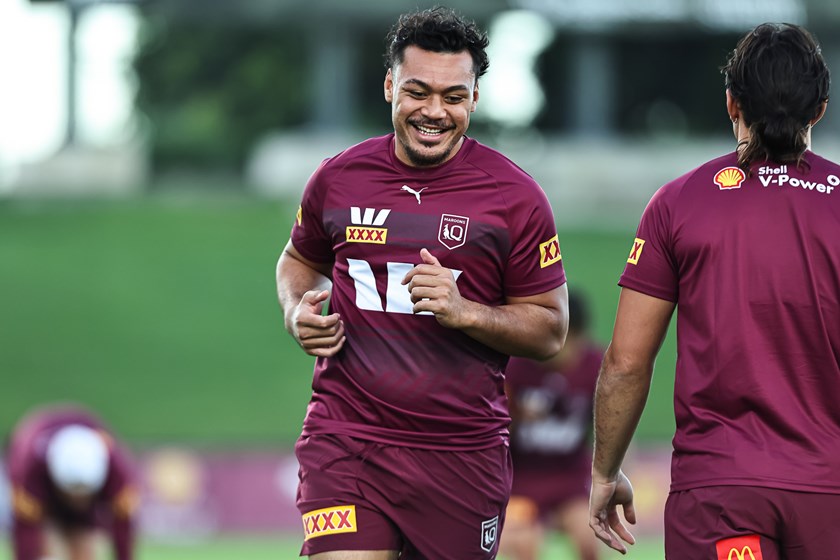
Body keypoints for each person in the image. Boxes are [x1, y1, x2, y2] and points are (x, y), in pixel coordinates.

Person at [275, 6, 569, 559]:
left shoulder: (516, 198)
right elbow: (296, 258)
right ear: (389, 86)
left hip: (462, 454)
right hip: (349, 438)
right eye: (418, 92)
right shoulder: (338, 178)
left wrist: (466, 312)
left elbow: (550, 331)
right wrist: (296, 312)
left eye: (453, 98)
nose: (434, 112)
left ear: (475, 99)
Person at [588, 22, 838, 559]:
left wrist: (605, 471)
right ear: (819, 107)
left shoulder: (679, 203)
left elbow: (627, 362)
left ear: (731, 103)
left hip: (721, 490)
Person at [499, 291, 601, 560]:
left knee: (588, 538)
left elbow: (611, 426)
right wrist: (517, 415)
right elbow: (496, 427)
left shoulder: (595, 366)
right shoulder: (516, 365)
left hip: (570, 479)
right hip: (522, 480)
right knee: (525, 545)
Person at [6, 404, 139, 560]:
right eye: (72, 493)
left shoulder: (116, 470)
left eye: (84, 493)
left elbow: (123, 527)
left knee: (83, 552)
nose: (78, 500)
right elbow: (25, 531)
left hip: (88, 506)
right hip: (45, 497)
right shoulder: (29, 468)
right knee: (42, 550)